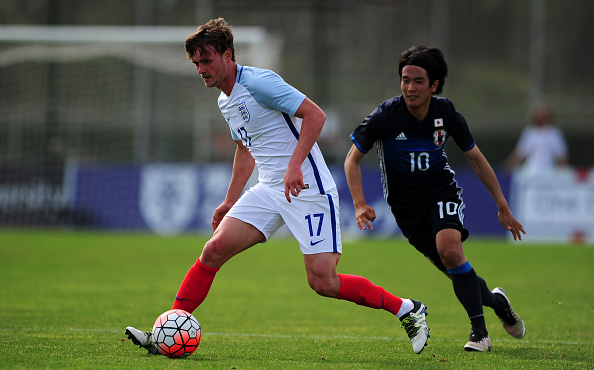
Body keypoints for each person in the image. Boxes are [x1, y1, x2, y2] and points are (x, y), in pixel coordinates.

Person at [125, 18, 430, 355]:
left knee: (323, 282)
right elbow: (245, 147)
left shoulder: (259, 83)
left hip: (308, 188)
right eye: (196, 63)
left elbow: (315, 115)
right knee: (213, 250)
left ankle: (407, 309)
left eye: (207, 60)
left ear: (228, 54)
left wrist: (295, 165)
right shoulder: (224, 101)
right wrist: (230, 200)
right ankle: (166, 331)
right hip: (270, 189)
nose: (201, 69)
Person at [344, 45, 526, 352]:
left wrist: (502, 206)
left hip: (441, 191)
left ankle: (479, 334)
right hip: (406, 210)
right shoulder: (386, 115)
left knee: (450, 250)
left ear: (434, 85)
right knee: (455, 268)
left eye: (417, 81)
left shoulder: (446, 113)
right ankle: (498, 303)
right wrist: (360, 203)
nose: (410, 88)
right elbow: (351, 160)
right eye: (405, 80)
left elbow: (477, 159)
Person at [505, 105, 568, 174]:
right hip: (530, 172)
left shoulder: (554, 133)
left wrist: (562, 172)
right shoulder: (529, 132)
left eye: (545, 115)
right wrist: (507, 167)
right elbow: (520, 154)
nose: (542, 118)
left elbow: (561, 155)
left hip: (549, 172)